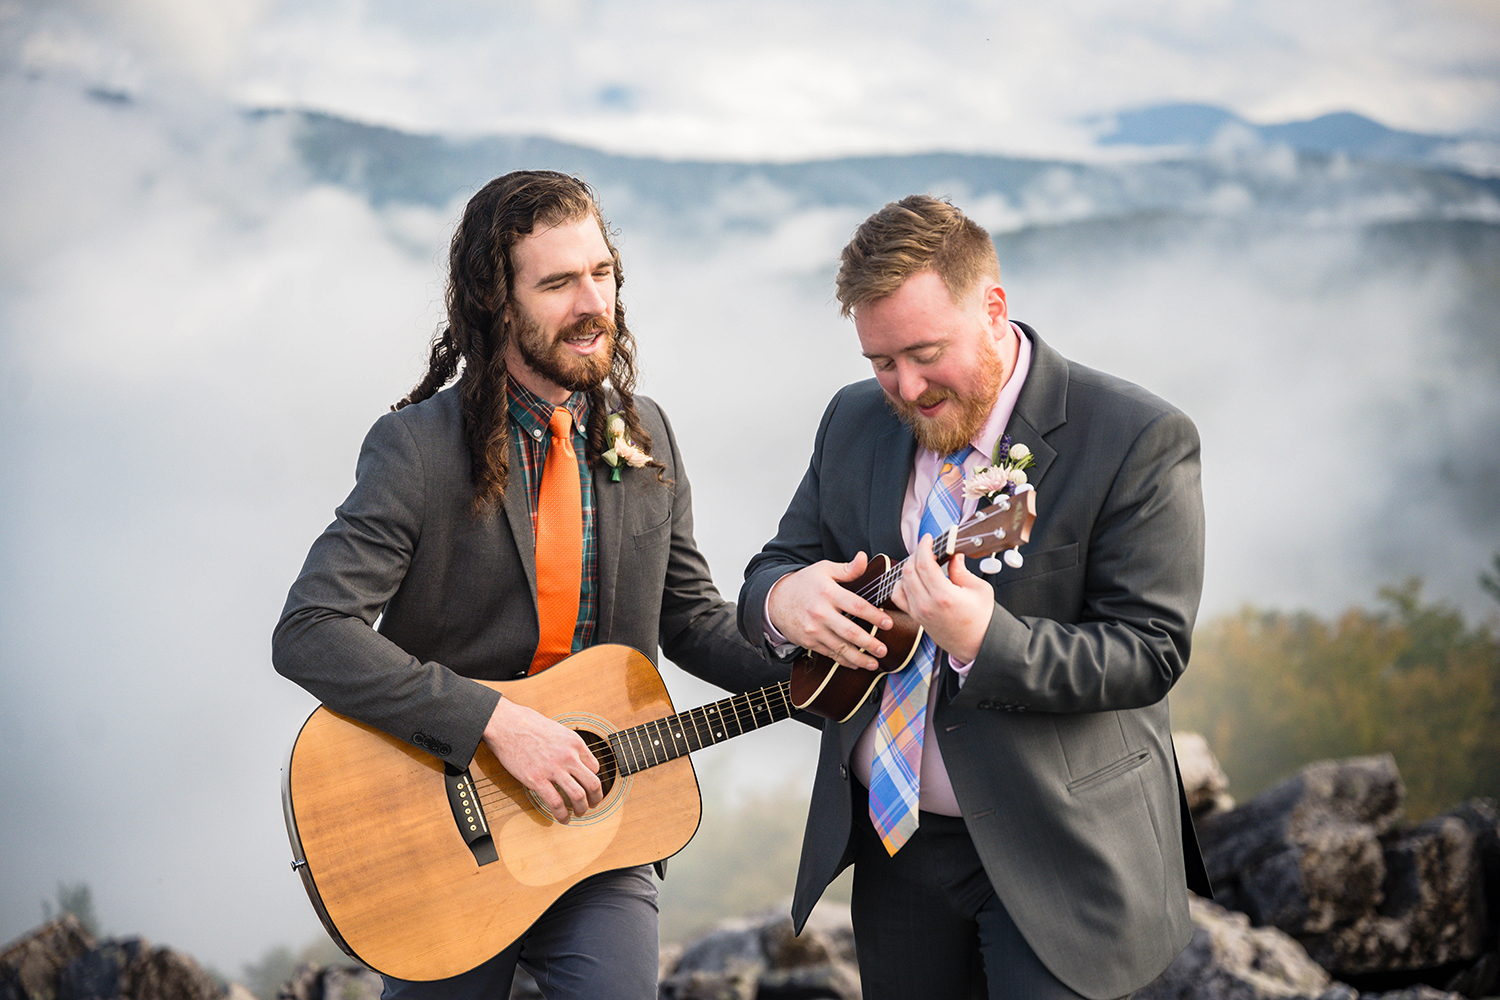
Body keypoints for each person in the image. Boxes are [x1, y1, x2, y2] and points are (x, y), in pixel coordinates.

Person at [273, 170, 785, 1000]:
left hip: (598, 836)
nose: (593, 304)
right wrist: (496, 725)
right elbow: (310, 629)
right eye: (557, 283)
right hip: (442, 842)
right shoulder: (417, 451)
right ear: (497, 301)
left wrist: (819, 663)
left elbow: (691, 621)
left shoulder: (645, 432)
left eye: (603, 273)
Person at [740, 194, 1212, 1000]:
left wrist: (984, 639)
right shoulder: (854, 419)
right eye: (881, 362)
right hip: (895, 849)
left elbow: (1149, 652)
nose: (907, 386)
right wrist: (784, 599)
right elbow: (776, 564)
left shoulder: (1137, 436)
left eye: (925, 353)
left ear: (993, 309)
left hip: (1063, 854)